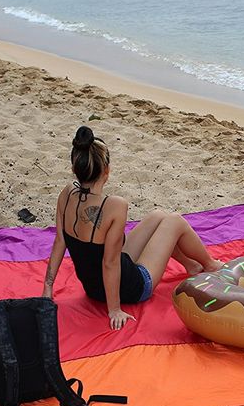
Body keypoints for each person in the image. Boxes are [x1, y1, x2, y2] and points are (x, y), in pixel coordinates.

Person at [42, 126, 224, 329]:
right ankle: (209, 264)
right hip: (133, 288)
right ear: (106, 171)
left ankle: (191, 265)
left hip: (93, 287)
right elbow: (110, 263)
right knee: (174, 221)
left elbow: (60, 241)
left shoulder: (66, 194)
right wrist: (114, 309)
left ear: (75, 169)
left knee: (158, 216)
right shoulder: (115, 205)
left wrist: (48, 288)